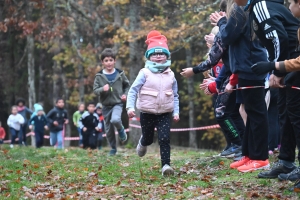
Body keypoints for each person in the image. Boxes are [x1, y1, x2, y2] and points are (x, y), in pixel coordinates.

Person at [235, 0, 300, 180]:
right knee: (285, 113)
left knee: (295, 115)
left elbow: (279, 37)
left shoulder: (260, 6)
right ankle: (286, 161)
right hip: (287, 61)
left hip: (293, 61)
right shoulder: (257, 8)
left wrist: (277, 71)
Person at [210, 0, 269, 172]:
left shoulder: (240, 9)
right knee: (250, 113)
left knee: (257, 113)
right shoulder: (242, 9)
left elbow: (227, 36)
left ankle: (261, 157)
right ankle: (249, 154)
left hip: (251, 66)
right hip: (244, 67)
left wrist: (221, 22)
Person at [126, 30, 180, 176]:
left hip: (164, 113)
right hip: (147, 112)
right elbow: (132, 90)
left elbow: (175, 95)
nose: (158, 56)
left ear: (167, 56)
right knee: (149, 138)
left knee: (164, 138)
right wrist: (130, 107)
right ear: (149, 56)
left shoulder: (171, 74)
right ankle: (143, 142)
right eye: (154, 54)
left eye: (161, 53)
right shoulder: (144, 73)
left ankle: (166, 166)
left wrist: (176, 112)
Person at [93, 48, 130, 156]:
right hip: (105, 106)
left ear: (115, 61)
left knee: (115, 119)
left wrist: (125, 95)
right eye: (106, 60)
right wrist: (102, 89)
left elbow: (127, 86)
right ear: (102, 62)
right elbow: (95, 90)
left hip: (117, 103)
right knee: (108, 130)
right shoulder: (99, 76)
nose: (108, 63)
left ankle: (121, 130)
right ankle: (113, 148)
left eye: (110, 60)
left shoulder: (120, 73)